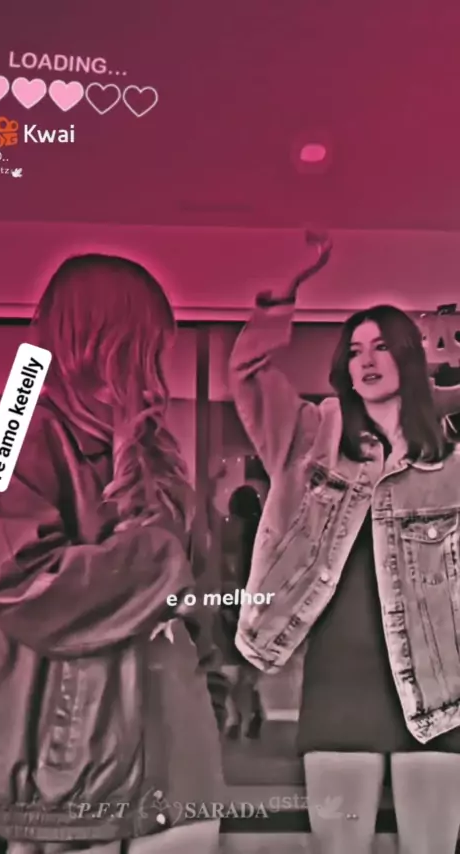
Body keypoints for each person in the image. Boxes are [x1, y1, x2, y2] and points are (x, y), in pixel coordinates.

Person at [0, 254, 227, 854]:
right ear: (107, 339)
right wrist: (156, 558)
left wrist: (211, 677)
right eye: (148, 343)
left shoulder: (150, 440)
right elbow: (15, 582)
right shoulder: (16, 423)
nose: (156, 362)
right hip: (72, 752)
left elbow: (194, 589)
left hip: (173, 730)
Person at [229, 231, 460, 854]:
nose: (366, 359)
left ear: (408, 357)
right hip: (340, 680)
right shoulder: (311, 436)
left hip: (442, 685)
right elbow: (248, 374)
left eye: (382, 345)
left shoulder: (450, 458)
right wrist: (281, 295)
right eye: (355, 349)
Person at [218, 485, 264, 739]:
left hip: (231, 601)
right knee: (249, 667)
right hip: (255, 604)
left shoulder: (228, 532)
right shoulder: (262, 532)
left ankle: (234, 716)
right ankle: (254, 709)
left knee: (230, 665)